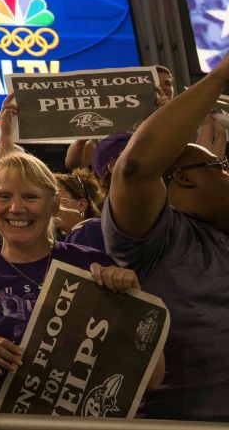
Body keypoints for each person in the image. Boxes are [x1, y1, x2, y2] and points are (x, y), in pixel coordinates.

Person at [0, 152, 158, 413]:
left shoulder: (92, 265)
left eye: (30, 196)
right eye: (4, 196)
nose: (16, 208)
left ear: (53, 206)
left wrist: (132, 299)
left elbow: (152, 376)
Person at [105, 50, 229, 421]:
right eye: (220, 166)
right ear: (186, 178)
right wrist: (218, 77)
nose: (228, 172)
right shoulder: (160, 238)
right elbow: (136, 167)